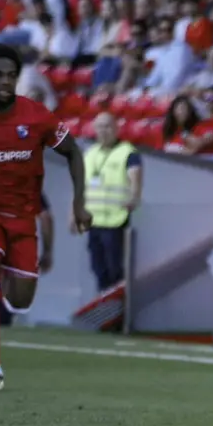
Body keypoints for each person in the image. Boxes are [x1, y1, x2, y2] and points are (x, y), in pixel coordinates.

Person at [0, 44, 92, 393]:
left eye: (10, 75)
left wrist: (79, 203)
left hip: (23, 220)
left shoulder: (35, 116)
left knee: (21, 299)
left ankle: (4, 280)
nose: (5, 81)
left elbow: (74, 152)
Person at [81, 113, 142, 292]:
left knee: (115, 266)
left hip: (116, 219)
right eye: (99, 126)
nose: (103, 131)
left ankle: (119, 306)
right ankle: (104, 304)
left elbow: (135, 177)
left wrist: (134, 196)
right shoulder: (90, 153)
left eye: (107, 126)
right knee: (97, 266)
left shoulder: (127, 152)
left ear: (116, 128)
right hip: (94, 221)